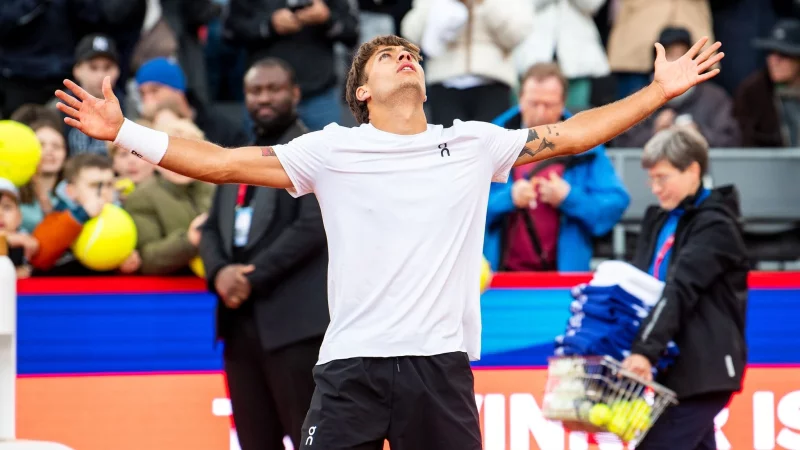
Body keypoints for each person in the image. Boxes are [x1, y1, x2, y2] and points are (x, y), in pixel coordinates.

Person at [56, 33, 724, 449]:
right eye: (385, 56)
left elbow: (575, 135)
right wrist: (124, 134)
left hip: (440, 366)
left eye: (409, 52)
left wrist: (655, 92)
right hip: (351, 367)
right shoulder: (331, 150)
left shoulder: (472, 142)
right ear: (362, 91)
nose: (403, 56)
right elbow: (224, 162)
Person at [199, 58, 328, 449]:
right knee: (254, 440)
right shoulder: (237, 152)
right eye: (256, 91)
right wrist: (220, 272)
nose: (264, 98)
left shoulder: (314, 150)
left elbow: (312, 227)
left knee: (311, 439)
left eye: (273, 89)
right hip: (240, 327)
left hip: (295, 327)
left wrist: (249, 278)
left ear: (295, 94)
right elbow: (209, 228)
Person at [621, 127, 748, 449]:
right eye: (651, 179)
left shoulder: (716, 224)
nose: (655, 188)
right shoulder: (658, 219)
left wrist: (644, 351)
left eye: (662, 178)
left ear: (692, 170)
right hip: (672, 368)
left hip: (704, 370)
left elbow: (679, 289)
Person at [486, 63, 629, 272]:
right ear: (520, 99)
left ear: (563, 103)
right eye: (534, 103)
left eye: (549, 105)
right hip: (498, 278)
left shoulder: (586, 144)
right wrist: (508, 198)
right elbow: (462, 207)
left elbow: (615, 205)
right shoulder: (490, 140)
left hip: (564, 278)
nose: (541, 112)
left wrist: (569, 198)